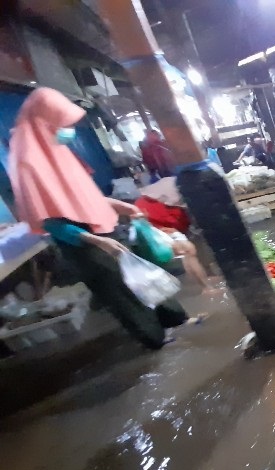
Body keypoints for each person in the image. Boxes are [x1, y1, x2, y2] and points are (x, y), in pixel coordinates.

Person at [7, 88, 192, 350]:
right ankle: (154, 339)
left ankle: (175, 320)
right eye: (60, 124)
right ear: (43, 123)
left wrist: (122, 208)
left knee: (138, 276)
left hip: (100, 230)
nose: (66, 130)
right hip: (78, 241)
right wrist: (94, 240)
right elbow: (49, 221)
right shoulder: (28, 164)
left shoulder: (59, 155)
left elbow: (84, 199)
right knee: (118, 289)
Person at [134, 177, 219, 294]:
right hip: (155, 226)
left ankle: (208, 274)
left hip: (159, 221)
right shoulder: (177, 195)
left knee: (196, 241)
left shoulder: (172, 186)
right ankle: (206, 287)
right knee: (187, 250)